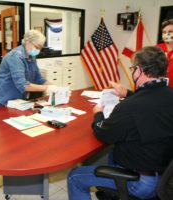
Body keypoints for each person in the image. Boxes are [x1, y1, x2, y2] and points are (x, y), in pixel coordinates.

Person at [67, 46, 173, 200]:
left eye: (132, 68)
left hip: (140, 183)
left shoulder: (131, 106)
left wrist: (98, 114)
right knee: (111, 151)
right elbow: (150, 105)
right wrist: (127, 94)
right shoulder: (169, 95)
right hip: (164, 177)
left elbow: (103, 133)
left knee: (74, 177)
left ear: (139, 70)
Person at [0, 29, 58, 108]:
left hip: (17, 98)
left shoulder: (31, 56)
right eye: (37, 47)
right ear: (28, 42)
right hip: (3, 97)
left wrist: (56, 87)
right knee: (4, 119)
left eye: (40, 48)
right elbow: (23, 85)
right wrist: (47, 88)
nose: (38, 50)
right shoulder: (15, 56)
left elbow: (38, 79)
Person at [157, 19, 173, 88]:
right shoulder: (156, 49)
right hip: (157, 88)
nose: (167, 34)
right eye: (164, 32)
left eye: (170, 31)